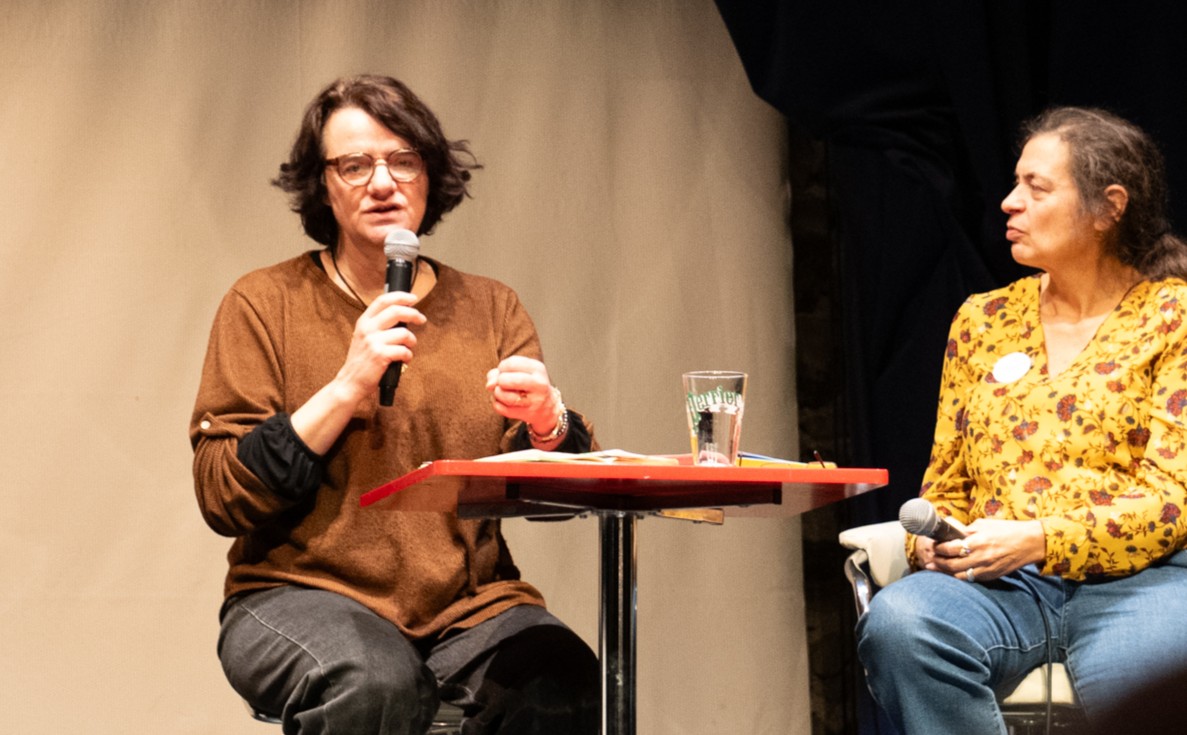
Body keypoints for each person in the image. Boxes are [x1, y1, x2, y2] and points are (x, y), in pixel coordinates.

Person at [189, 74, 599, 735]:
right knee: (373, 682)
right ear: (323, 184)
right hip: (298, 592)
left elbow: (558, 496)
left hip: (468, 609)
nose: (383, 183)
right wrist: (349, 382)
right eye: (355, 164)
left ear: (430, 176)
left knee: (565, 682)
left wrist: (549, 425)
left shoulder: (490, 308)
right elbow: (222, 493)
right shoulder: (262, 303)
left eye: (402, 160)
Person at [855, 106, 1187, 733]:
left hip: (1142, 582)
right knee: (902, 623)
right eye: (1014, 184)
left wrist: (1040, 537)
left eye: (1036, 188)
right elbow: (947, 484)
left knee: (1150, 684)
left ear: (1108, 206)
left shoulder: (1174, 316)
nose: (1009, 202)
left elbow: (1174, 501)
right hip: (1002, 585)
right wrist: (931, 540)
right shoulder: (982, 320)